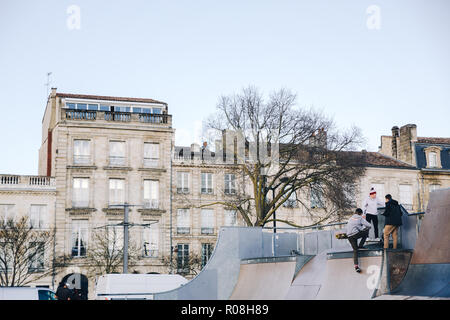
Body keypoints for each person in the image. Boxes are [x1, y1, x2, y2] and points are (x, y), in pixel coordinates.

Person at [346, 208, 372, 273]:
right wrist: (366, 228)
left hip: (349, 236)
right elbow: (369, 225)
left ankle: (356, 267)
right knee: (366, 232)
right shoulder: (360, 218)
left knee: (355, 250)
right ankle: (360, 245)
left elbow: (352, 227)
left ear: (355, 212)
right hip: (355, 234)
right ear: (360, 213)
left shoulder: (350, 218)